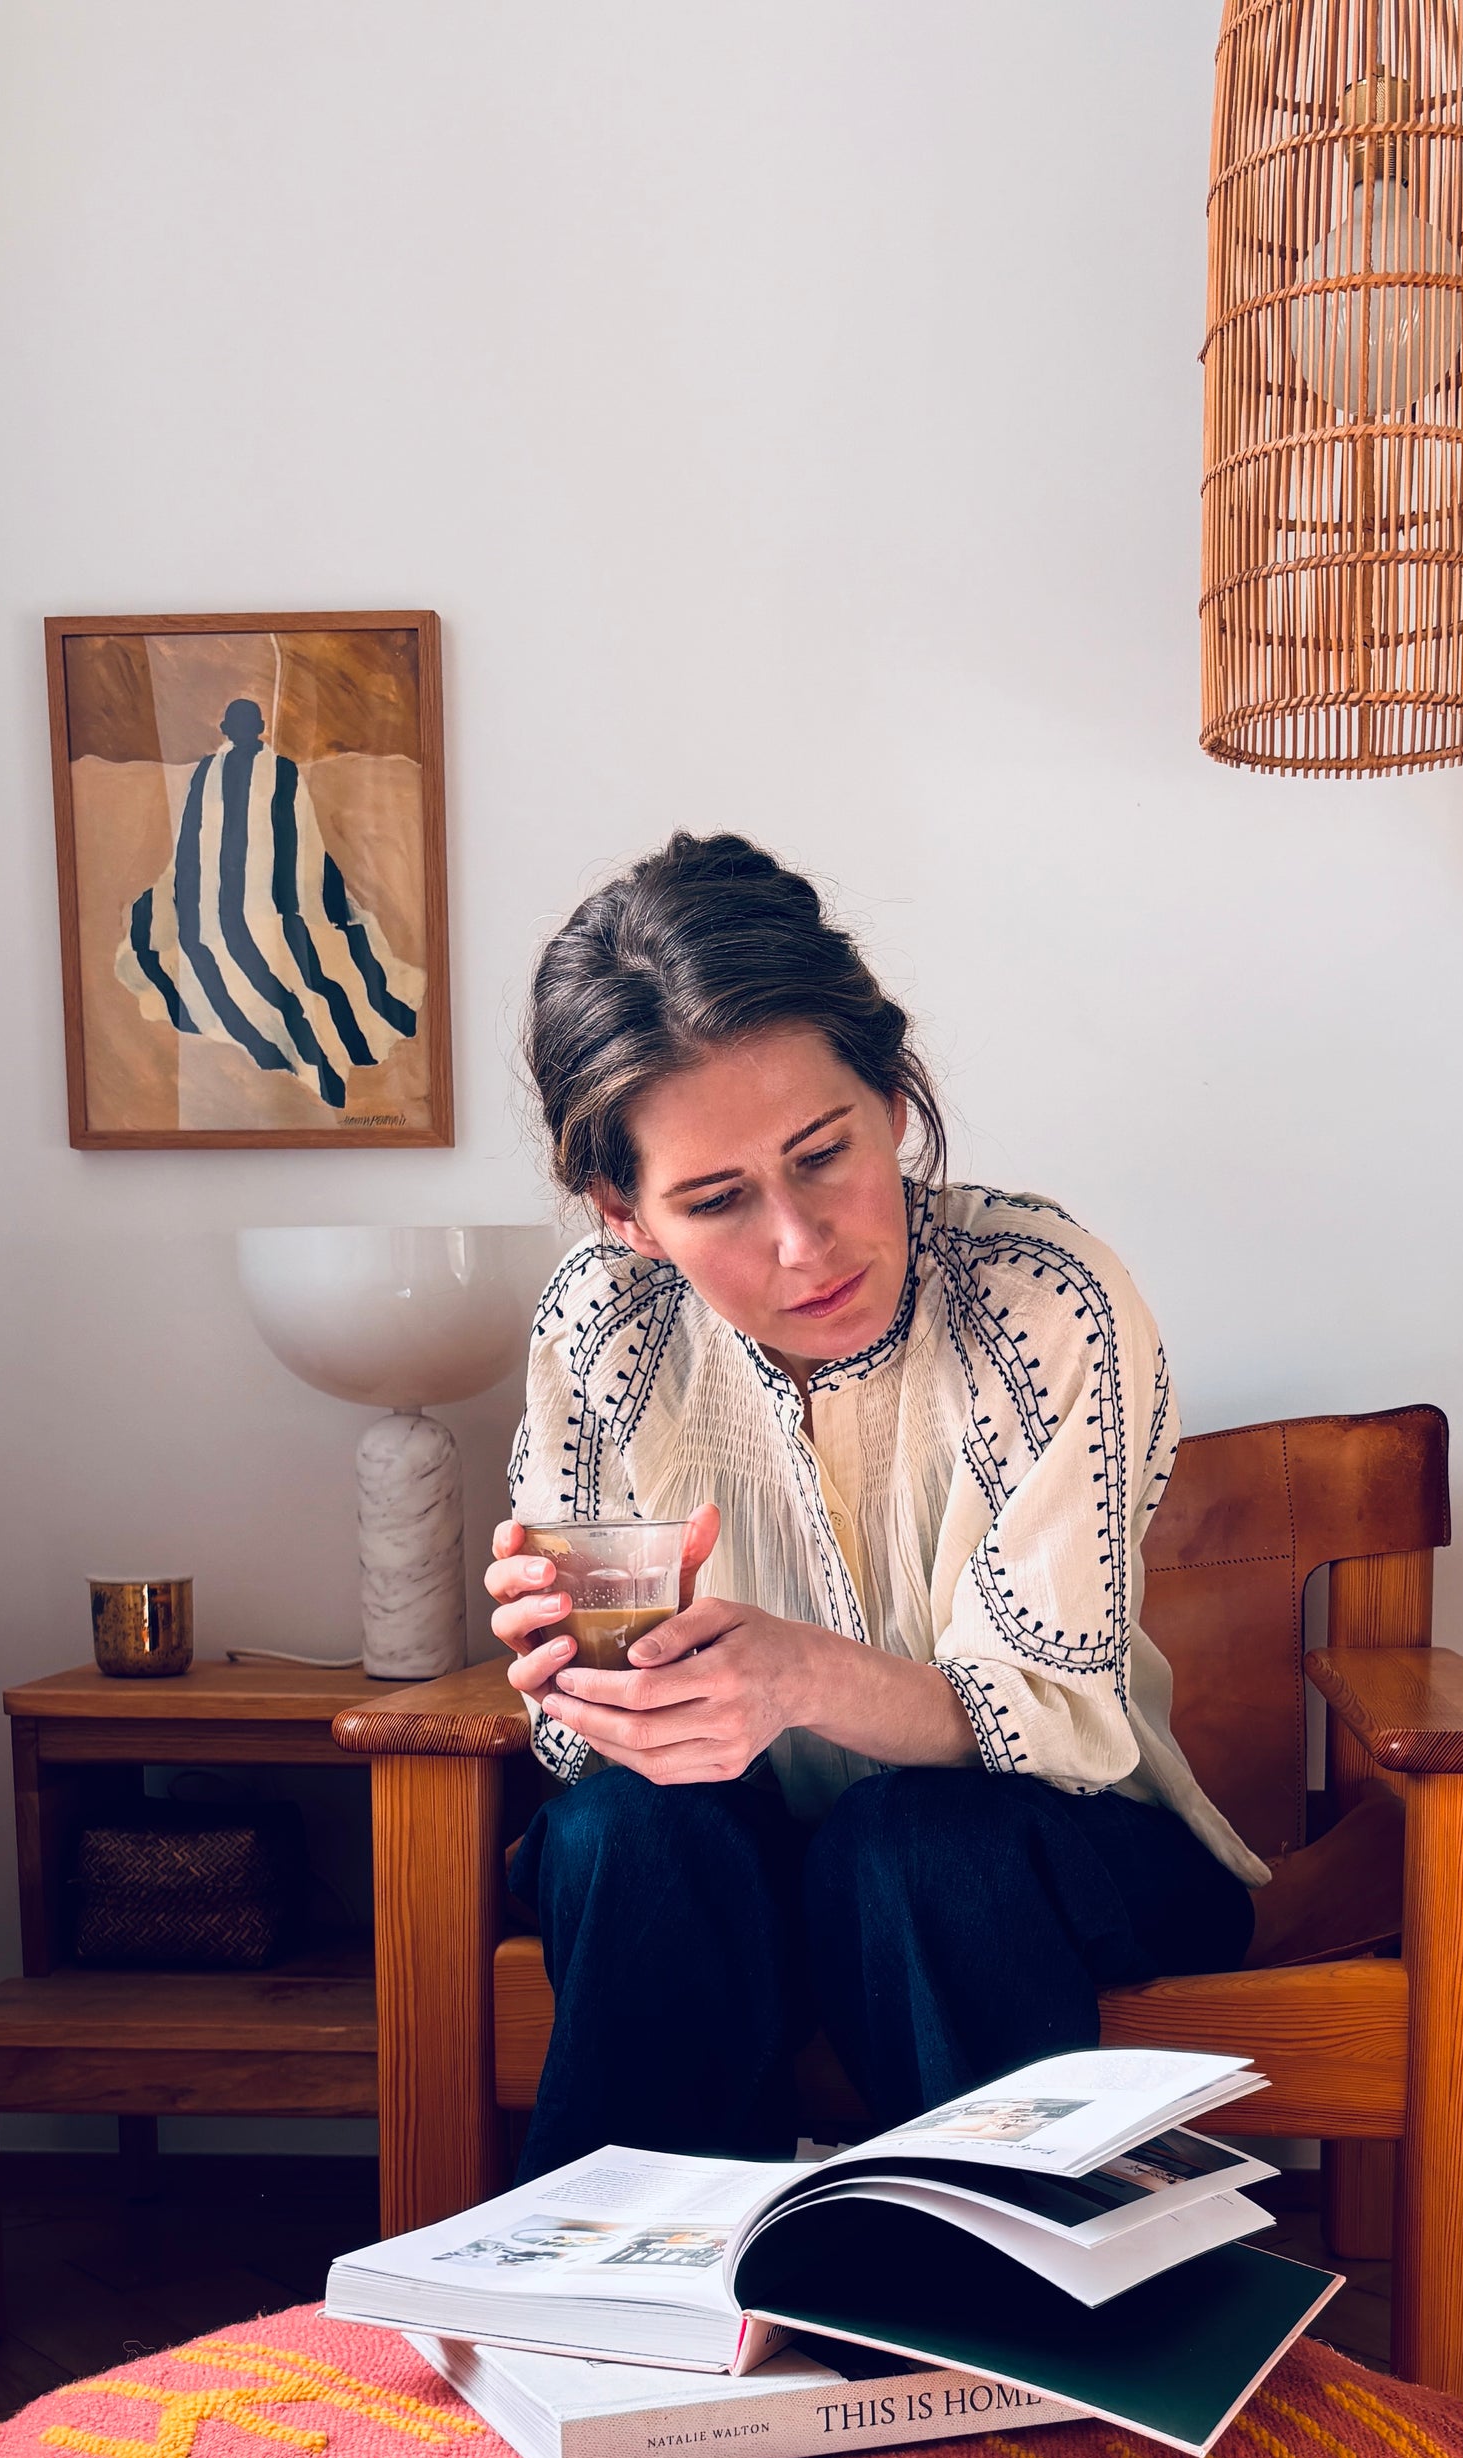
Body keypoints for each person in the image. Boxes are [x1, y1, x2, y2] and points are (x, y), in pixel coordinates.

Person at [489, 832, 1267, 2175]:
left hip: (1053, 1850)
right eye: (716, 1200)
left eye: (822, 1152)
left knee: (913, 1848)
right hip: (734, 1870)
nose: (800, 1244)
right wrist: (574, 1681)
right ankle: (629, 2317)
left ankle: (1005, 2315)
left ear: (892, 1097)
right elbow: (586, 1758)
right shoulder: (604, 1331)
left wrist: (798, 1678)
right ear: (624, 1214)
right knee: (632, 1829)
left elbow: (1063, 1719)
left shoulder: (1040, 1301)